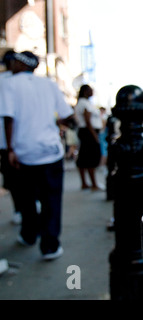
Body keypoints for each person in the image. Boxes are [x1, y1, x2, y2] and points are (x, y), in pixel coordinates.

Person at [0, 51, 74, 260]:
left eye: (14, 61)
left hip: (23, 153)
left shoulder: (9, 84)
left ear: (22, 64)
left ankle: (29, 235)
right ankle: (50, 246)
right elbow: (68, 116)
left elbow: (8, 118)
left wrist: (11, 149)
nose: (11, 64)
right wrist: (55, 126)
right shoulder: (49, 84)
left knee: (26, 198)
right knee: (51, 200)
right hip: (50, 151)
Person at [0, 50, 22, 225]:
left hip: (9, 142)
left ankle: (20, 209)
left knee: (14, 179)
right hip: (15, 141)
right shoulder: (8, 81)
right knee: (18, 178)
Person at [74, 84, 103, 191]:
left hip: (85, 132)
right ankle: (93, 184)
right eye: (91, 90)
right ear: (85, 91)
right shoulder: (84, 103)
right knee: (90, 158)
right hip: (88, 133)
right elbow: (88, 121)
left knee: (83, 158)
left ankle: (85, 183)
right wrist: (95, 137)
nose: (92, 92)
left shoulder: (82, 103)